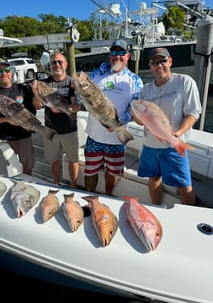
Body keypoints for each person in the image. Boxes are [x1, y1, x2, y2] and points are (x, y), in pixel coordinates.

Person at [135, 47, 202, 206]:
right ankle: (157, 207)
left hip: (173, 145)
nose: (159, 66)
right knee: (153, 178)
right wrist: (137, 116)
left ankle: (189, 217)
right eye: (154, 62)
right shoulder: (145, 90)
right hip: (150, 145)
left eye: (162, 61)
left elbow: (193, 113)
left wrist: (178, 134)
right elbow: (140, 122)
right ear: (150, 66)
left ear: (170, 61)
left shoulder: (184, 82)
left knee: (184, 185)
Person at [84, 39, 143, 195]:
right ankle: (90, 197)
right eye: (114, 53)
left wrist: (118, 122)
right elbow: (83, 95)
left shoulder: (135, 80)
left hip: (117, 138)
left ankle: (107, 197)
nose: (117, 56)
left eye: (121, 53)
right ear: (109, 55)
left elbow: (134, 107)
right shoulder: (98, 74)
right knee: (90, 171)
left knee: (112, 173)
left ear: (128, 55)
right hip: (94, 136)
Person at [0, 57, 41, 176]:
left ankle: (26, 189)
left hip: (24, 136)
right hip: (5, 139)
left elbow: (33, 111)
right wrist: (7, 120)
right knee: (6, 171)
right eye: (0, 71)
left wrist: (26, 110)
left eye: (6, 70)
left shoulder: (22, 89)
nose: (4, 73)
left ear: (11, 72)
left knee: (28, 168)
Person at [38, 52, 80, 188]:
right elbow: (38, 104)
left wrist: (66, 108)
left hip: (70, 129)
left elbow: (78, 106)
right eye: (53, 62)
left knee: (73, 160)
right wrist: (36, 94)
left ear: (66, 64)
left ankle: (73, 185)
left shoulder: (73, 83)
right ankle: (55, 184)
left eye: (59, 62)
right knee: (54, 160)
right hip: (51, 130)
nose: (56, 65)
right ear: (50, 65)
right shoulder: (44, 84)